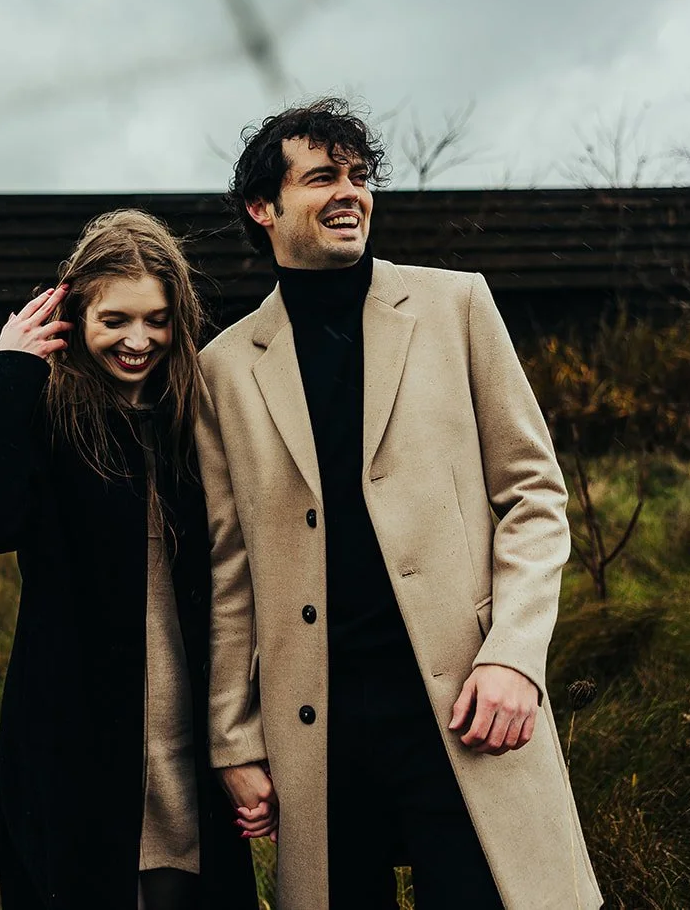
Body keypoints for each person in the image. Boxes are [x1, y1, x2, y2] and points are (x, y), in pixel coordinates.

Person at [196, 98, 602, 908]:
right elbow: (229, 565)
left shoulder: (458, 306)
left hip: (466, 705)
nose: (351, 192)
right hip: (319, 733)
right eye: (322, 177)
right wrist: (234, 736)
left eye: (360, 175)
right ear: (263, 208)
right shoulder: (224, 368)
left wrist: (516, 655)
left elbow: (533, 492)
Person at [0, 209, 257, 910]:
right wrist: (8, 372)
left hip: (185, 724)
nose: (138, 339)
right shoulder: (46, 416)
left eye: (156, 319)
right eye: (115, 319)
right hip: (75, 737)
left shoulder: (195, 417)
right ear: (75, 312)